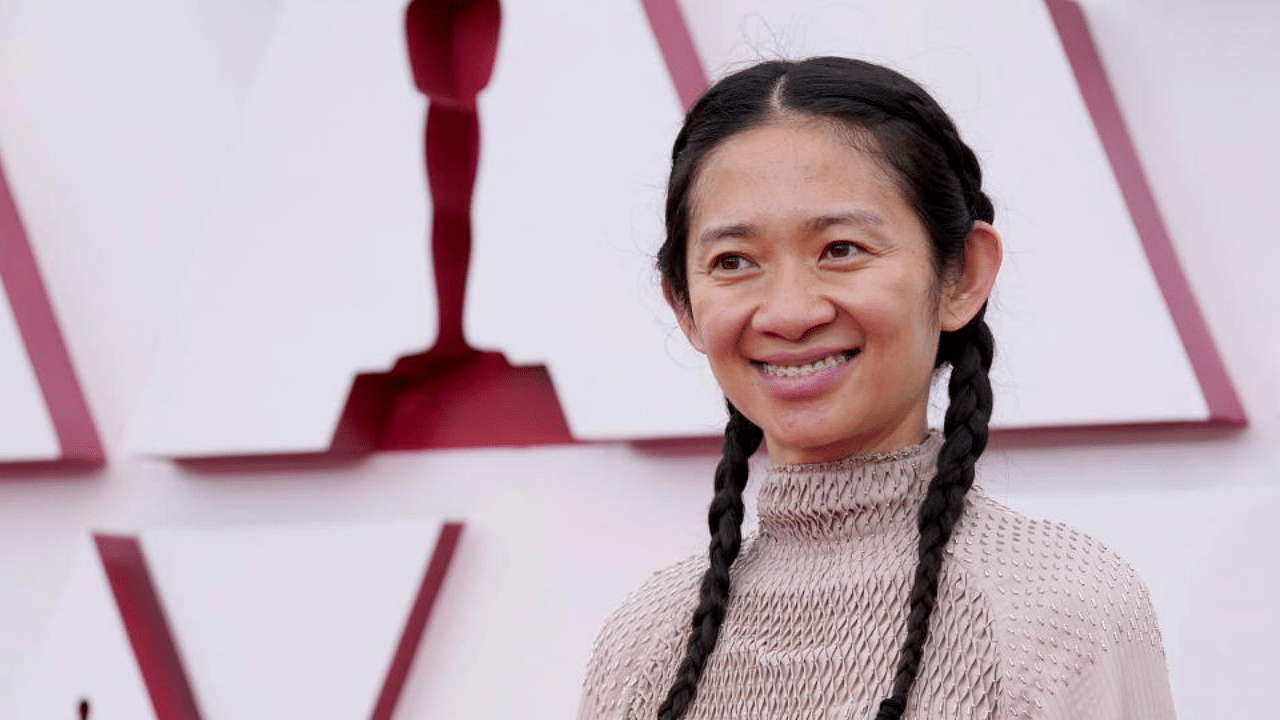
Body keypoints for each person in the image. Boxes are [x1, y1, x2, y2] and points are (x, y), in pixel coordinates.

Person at [576, 57, 1176, 720]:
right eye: (734, 262)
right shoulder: (644, 645)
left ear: (962, 276)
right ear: (684, 305)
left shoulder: (1059, 612)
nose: (788, 312)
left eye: (841, 248)